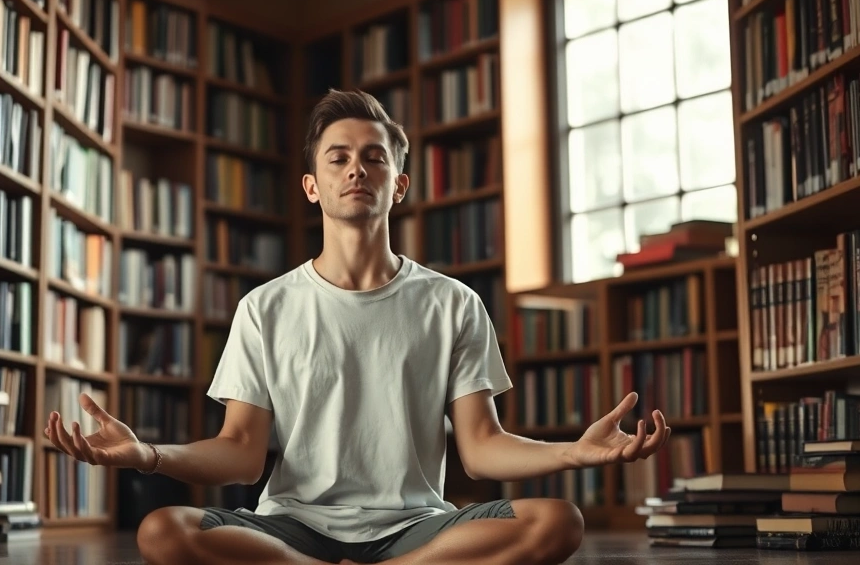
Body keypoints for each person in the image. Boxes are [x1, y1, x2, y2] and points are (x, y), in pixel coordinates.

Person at [44, 89, 671, 565]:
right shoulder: (265, 307)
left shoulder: (452, 303)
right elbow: (239, 453)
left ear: (398, 185)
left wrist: (575, 451)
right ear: (312, 186)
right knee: (163, 532)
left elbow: (480, 449)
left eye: (374, 158)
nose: (356, 169)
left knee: (557, 522)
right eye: (338, 158)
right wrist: (148, 456)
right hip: (293, 525)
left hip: (418, 527)